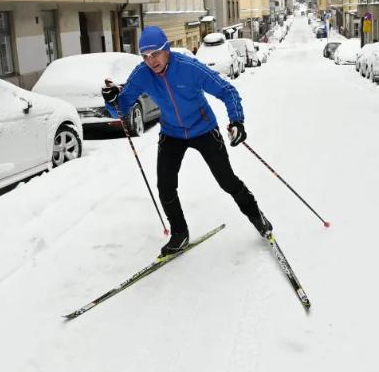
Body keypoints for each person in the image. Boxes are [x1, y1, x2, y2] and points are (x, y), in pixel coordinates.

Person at [101, 26, 272, 257]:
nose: (151, 61)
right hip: (172, 133)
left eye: (155, 54)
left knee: (227, 181)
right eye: (145, 56)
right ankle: (179, 233)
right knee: (165, 186)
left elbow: (227, 91)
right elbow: (120, 110)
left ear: (167, 49)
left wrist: (237, 121)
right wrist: (112, 100)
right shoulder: (142, 74)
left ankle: (256, 216)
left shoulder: (189, 68)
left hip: (203, 128)